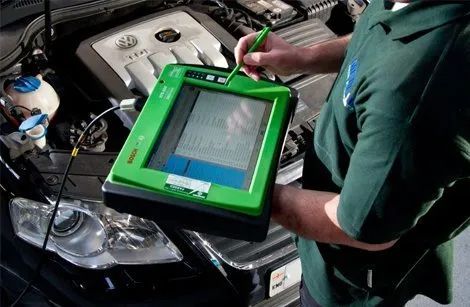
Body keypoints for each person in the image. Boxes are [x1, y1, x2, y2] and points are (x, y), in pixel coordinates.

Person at [235, 1, 470, 306]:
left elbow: (362, 230)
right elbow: (379, 33)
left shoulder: (418, 93)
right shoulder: (411, 8)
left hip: (350, 281)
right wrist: (301, 57)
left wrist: (246, 194)